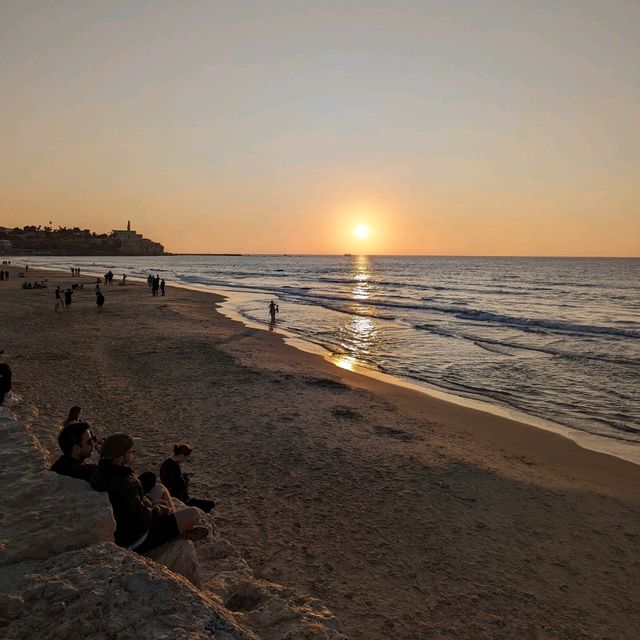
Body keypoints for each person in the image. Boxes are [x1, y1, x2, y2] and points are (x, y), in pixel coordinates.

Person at [91, 434, 208, 553]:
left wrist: (150, 503)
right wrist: (160, 509)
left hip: (131, 527)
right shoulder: (122, 482)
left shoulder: (107, 471)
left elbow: (134, 507)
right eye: (131, 452)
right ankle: (180, 531)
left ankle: (178, 526)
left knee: (159, 488)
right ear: (119, 458)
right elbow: (142, 518)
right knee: (194, 513)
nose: (133, 454)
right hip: (139, 539)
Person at [160, 444, 215, 513]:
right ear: (182, 455)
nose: (185, 460)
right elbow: (174, 485)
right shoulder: (174, 466)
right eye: (186, 458)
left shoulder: (166, 463)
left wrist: (183, 477)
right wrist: (184, 481)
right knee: (210, 504)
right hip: (181, 499)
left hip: (175, 496)